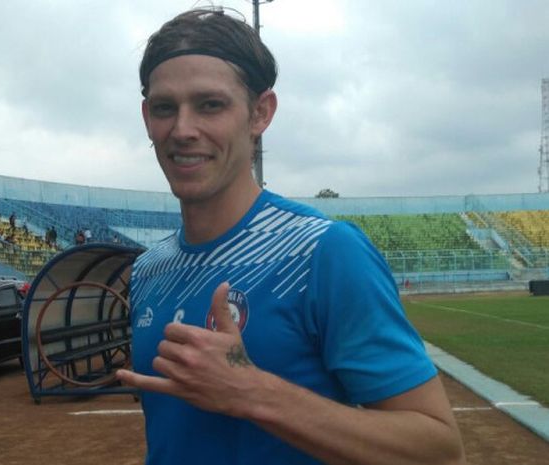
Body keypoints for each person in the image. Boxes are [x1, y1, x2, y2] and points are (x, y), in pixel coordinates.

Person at [115, 7, 465, 465]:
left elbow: (440, 450)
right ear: (147, 117)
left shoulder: (325, 252)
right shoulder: (148, 270)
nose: (182, 130)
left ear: (260, 113)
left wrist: (253, 392)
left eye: (210, 105)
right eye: (165, 108)